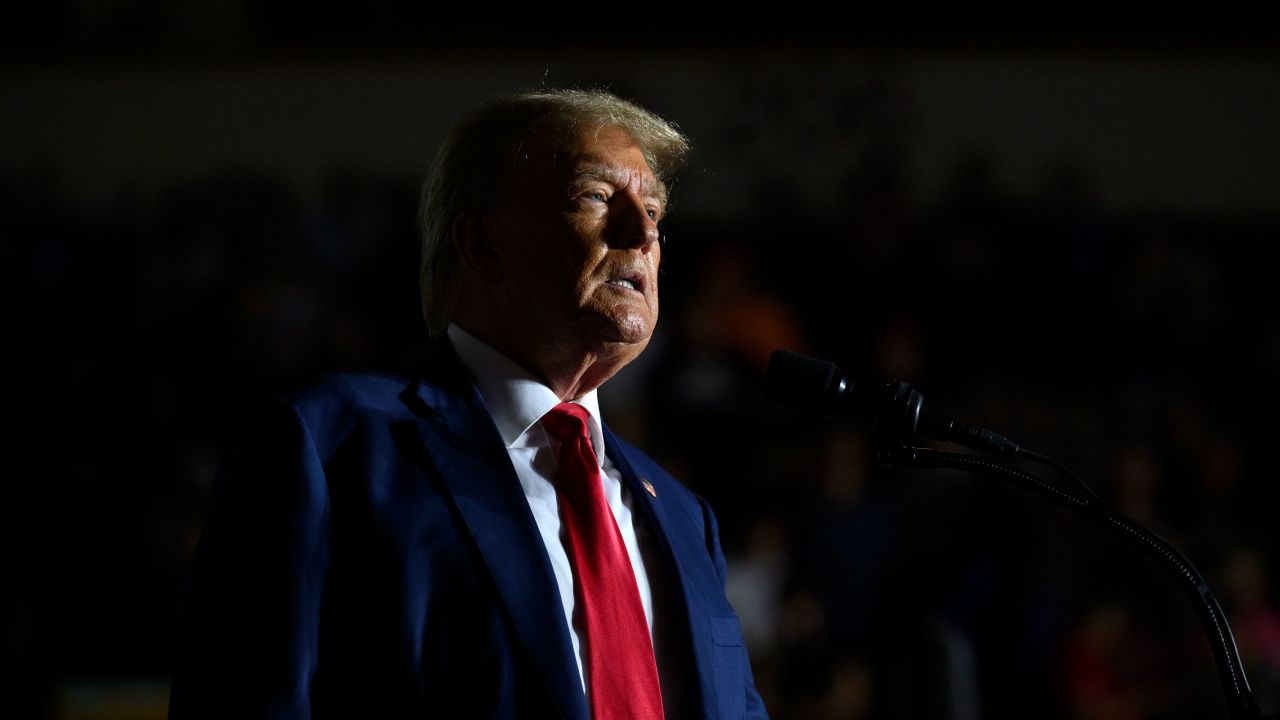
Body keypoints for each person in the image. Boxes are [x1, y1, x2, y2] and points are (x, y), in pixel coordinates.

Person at [169, 88, 769, 719]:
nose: (642, 232)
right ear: (482, 245)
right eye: (596, 197)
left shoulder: (682, 515)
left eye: (654, 211)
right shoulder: (330, 447)